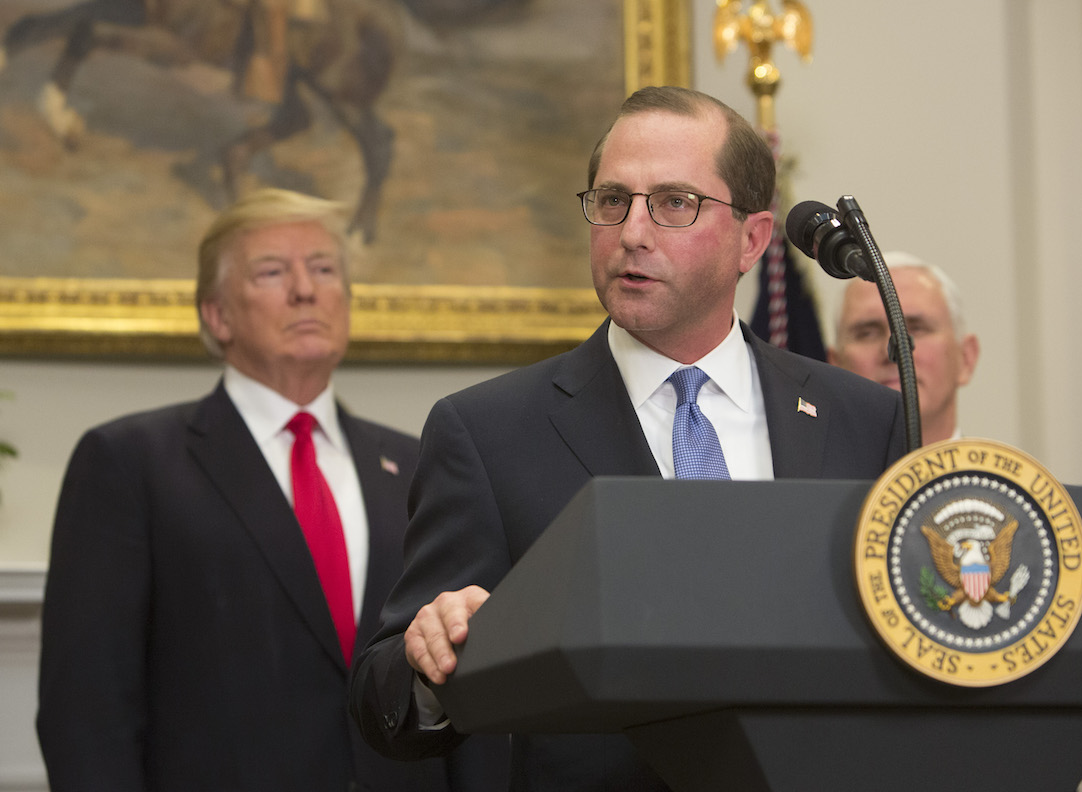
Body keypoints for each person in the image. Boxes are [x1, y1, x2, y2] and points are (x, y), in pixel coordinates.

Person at [348, 86, 906, 790]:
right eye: (612, 200)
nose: (631, 231)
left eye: (674, 203)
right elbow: (383, 698)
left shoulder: (860, 419)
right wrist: (429, 662)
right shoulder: (489, 433)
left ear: (752, 240)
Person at [36, 188, 507, 792]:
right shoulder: (130, 463)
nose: (305, 290)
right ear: (217, 314)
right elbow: (86, 709)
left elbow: (463, 673)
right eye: (271, 272)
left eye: (323, 269)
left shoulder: (419, 462)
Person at [828, 252, 980, 446]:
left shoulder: (1008, 476)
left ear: (966, 358)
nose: (892, 353)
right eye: (867, 333)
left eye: (917, 329)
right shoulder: (798, 476)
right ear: (834, 365)